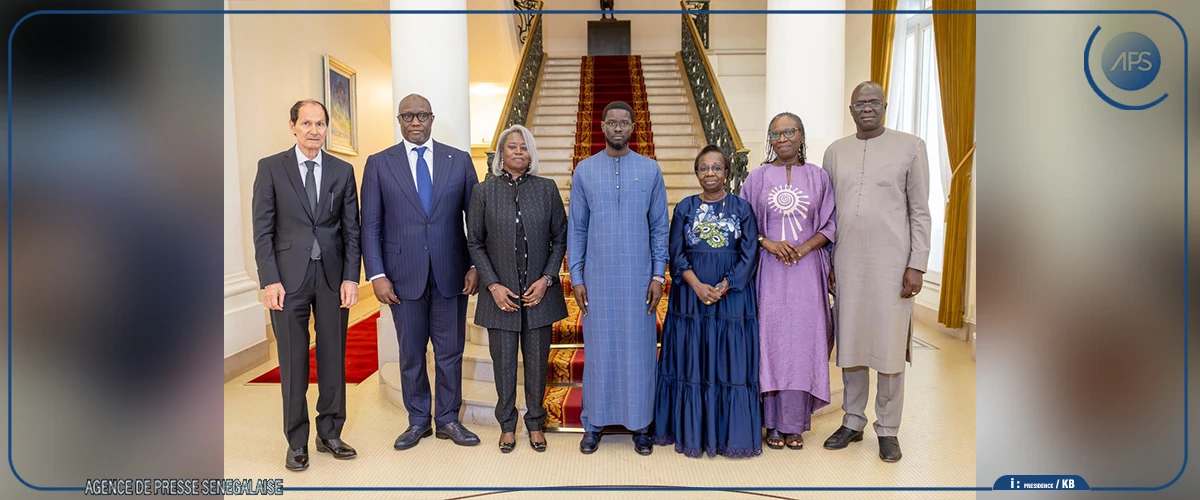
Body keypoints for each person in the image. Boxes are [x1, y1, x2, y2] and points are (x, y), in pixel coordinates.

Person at [360, 94, 481, 450]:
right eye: (408, 115)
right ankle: (417, 420)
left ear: (432, 118)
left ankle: (447, 419)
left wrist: (475, 265)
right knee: (411, 353)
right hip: (400, 276)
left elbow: (474, 222)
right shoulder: (380, 163)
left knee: (450, 352)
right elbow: (370, 226)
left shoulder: (458, 161)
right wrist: (377, 274)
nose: (415, 121)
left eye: (422, 115)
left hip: (451, 273)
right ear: (399, 119)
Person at [821, 81, 931, 463]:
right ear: (850, 109)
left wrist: (916, 264)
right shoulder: (835, 152)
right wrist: (828, 263)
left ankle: (888, 429)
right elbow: (827, 214)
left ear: (885, 105)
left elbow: (919, 211)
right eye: (859, 103)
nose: (866, 108)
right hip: (847, 263)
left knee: (887, 349)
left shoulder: (911, 147)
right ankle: (852, 421)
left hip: (893, 264)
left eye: (874, 102)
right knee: (850, 345)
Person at [251, 99, 362, 471]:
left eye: (320, 123)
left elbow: (352, 230)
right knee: (294, 362)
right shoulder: (270, 169)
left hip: (332, 278)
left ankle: (329, 432)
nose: (314, 129)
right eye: (307, 123)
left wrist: (351, 276)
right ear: (293, 126)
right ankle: (296, 441)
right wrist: (270, 281)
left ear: (327, 128)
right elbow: (262, 231)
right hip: (287, 280)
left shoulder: (342, 171)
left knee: (333, 358)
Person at [568, 100, 669, 455]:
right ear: (602, 126)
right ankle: (593, 423)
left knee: (639, 351)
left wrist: (659, 274)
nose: (617, 128)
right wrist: (576, 276)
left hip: (639, 279)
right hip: (597, 279)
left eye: (623, 123)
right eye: (611, 122)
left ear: (632, 127)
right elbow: (577, 227)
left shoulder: (651, 170)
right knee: (598, 350)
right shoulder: (584, 170)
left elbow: (659, 227)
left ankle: (640, 424)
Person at [652, 145, 762, 458]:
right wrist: (699, 286)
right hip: (690, 299)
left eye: (716, 167)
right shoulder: (685, 208)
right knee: (692, 363)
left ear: (727, 173)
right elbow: (675, 253)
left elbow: (749, 253)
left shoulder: (742, 208)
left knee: (729, 365)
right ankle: (691, 433)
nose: (710, 173)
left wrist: (723, 286)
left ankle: (730, 436)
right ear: (696, 172)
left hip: (732, 301)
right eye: (704, 168)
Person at [466, 124, 568, 454]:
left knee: (537, 364)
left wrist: (547, 278)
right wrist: (492, 285)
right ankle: (507, 425)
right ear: (501, 153)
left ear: (531, 154)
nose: (518, 152)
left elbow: (560, 238)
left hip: (540, 295)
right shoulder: (484, 192)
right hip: (501, 297)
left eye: (524, 147)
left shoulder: (546, 189)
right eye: (512, 147)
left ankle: (536, 423)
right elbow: (475, 242)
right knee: (505, 363)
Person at [740, 112, 837, 452]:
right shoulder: (756, 178)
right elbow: (745, 224)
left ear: (800, 136)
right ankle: (771, 424)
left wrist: (803, 247)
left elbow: (828, 225)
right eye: (775, 134)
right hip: (769, 271)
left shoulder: (819, 177)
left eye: (788, 132)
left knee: (802, 343)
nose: (782, 139)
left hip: (806, 272)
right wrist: (769, 243)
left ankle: (795, 423)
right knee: (771, 341)